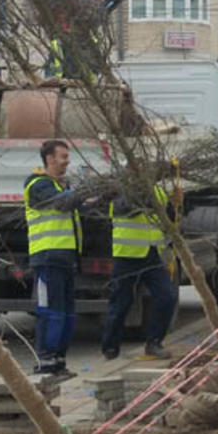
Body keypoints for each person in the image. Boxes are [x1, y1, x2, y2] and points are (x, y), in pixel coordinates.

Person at [23, 139, 88, 377]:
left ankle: (59, 361)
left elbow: (74, 203)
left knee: (67, 313)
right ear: (49, 159)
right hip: (47, 258)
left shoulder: (60, 187)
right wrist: (86, 189)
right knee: (51, 311)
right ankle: (46, 361)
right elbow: (63, 204)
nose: (67, 161)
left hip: (65, 258)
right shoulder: (38, 185)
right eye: (63, 157)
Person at [101, 184, 177, 361]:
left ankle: (154, 342)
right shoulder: (121, 190)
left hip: (152, 253)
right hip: (126, 255)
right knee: (120, 304)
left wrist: (174, 205)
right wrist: (148, 197)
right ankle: (110, 348)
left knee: (167, 296)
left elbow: (168, 219)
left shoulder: (158, 190)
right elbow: (126, 208)